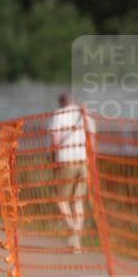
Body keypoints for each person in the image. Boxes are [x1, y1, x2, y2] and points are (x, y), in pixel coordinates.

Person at [47, 91, 95, 253]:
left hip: (66, 160)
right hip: (83, 160)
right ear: (73, 100)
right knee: (78, 201)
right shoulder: (84, 114)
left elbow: (54, 139)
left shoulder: (59, 115)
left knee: (61, 199)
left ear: (60, 102)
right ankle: (77, 242)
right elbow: (92, 137)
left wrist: (53, 158)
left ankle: (73, 232)